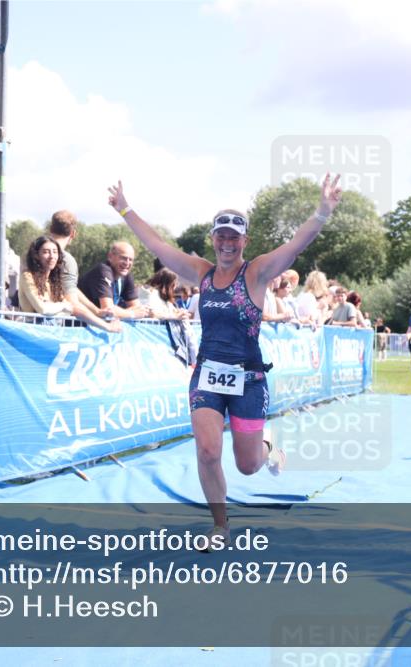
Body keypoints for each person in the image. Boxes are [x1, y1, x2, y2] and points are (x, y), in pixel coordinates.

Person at [108, 173, 343, 541]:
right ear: (213, 240)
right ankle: (220, 525)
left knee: (248, 466)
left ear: (244, 241)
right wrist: (125, 209)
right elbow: (157, 245)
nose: (227, 243)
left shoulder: (258, 271)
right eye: (221, 236)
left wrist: (322, 212)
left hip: (249, 379)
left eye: (235, 237)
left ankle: (266, 447)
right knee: (206, 450)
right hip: (207, 376)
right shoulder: (200, 272)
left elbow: (294, 247)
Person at [19, 236, 120, 332]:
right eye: (46, 252)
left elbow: (74, 309)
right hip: (33, 333)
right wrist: (63, 306)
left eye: (55, 252)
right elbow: (43, 309)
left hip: (51, 334)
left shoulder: (53, 282)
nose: (52, 256)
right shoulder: (28, 276)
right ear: (36, 255)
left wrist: (102, 319)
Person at [48, 210, 116, 323]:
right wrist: (105, 325)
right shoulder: (66, 260)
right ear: (73, 234)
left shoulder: (32, 252)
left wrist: (96, 311)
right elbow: (72, 304)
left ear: (50, 229)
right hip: (50, 325)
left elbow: (71, 288)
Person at [78, 241, 151, 320]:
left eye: (131, 260)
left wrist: (122, 313)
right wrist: (132, 314)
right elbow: (108, 310)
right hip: (78, 325)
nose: (127, 263)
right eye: (123, 258)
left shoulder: (126, 275)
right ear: (110, 256)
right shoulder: (103, 270)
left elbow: (137, 307)